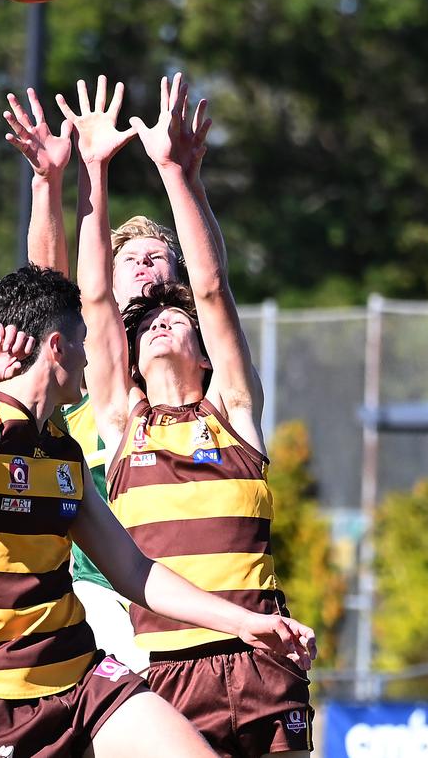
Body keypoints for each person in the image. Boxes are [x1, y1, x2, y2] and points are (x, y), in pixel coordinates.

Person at [0, 262, 316, 758]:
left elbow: (134, 571)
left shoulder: (63, 453)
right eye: (83, 342)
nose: (90, 358)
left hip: (83, 676)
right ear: (57, 347)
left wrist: (245, 622)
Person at [55, 73, 316, 757]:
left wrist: (179, 171)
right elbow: (96, 303)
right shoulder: (121, 422)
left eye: (179, 321)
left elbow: (209, 286)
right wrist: (93, 171)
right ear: (130, 360)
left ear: (205, 353)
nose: (166, 323)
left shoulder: (234, 412)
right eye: (152, 324)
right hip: (165, 672)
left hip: (262, 656)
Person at [3, 80, 215, 671]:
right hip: (99, 586)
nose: (145, 268)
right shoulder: (85, 361)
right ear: (109, 281)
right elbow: (50, 288)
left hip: (194, 578)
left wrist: (183, 177)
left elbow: (213, 286)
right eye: (131, 259)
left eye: (157, 258)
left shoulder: (199, 357)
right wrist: (49, 182)